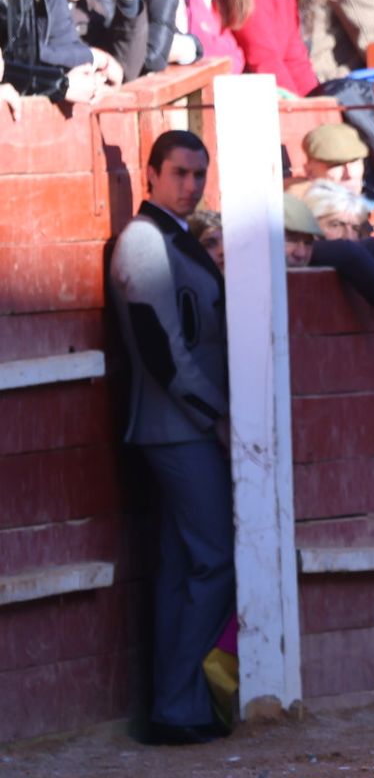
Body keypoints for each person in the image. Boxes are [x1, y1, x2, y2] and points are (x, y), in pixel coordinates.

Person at [106, 130, 233, 747]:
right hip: (174, 427)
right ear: (150, 173)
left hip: (183, 423)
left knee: (186, 566)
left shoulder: (171, 240)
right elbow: (161, 350)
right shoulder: (142, 241)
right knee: (213, 560)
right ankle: (176, 704)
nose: (190, 186)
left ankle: (177, 704)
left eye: (198, 176)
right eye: (179, 173)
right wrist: (216, 414)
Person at [289, 188, 374, 316]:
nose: (349, 235)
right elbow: (347, 252)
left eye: (355, 228)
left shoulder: (351, 245)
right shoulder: (297, 250)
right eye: (335, 224)